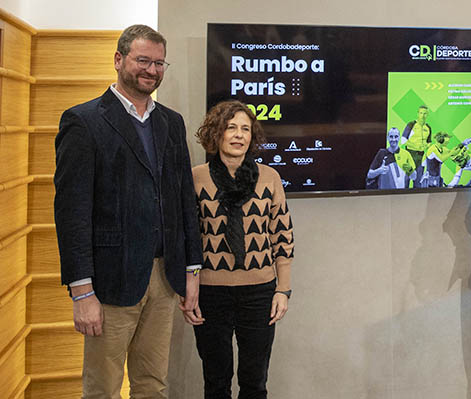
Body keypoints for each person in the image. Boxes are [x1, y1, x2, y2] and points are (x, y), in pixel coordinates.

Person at [54, 24, 202, 397]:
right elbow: (71, 212)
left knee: (153, 384)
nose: (151, 70)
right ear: (119, 60)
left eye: (158, 63)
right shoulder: (83, 121)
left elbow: (185, 199)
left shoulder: (171, 122)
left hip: (164, 278)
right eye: (142, 60)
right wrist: (81, 292)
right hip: (108, 281)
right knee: (102, 387)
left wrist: (192, 271)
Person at [191, 100, 295, 398]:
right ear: (216, 134)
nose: (239, 135)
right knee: (216, 382)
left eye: (245, 129)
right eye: (231, 128)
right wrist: (190, 289)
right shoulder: (196, 177)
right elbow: (188, 239)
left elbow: (282, 235)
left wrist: (282, 290)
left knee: (255, 381)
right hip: (210, 294)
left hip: (260, 291)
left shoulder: (269, 177)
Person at [401, 105, 432, 187]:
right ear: (418, 113)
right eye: (421, 113)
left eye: (425, 113)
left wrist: (426, 146)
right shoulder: (411, 124)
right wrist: (416, 146)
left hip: (421, 157)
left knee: (418, 180)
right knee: (406, 179)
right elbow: (403, 140)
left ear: (427, 115)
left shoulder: (428, 127)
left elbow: (429, 142)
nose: (423, 115)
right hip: (410, 154)